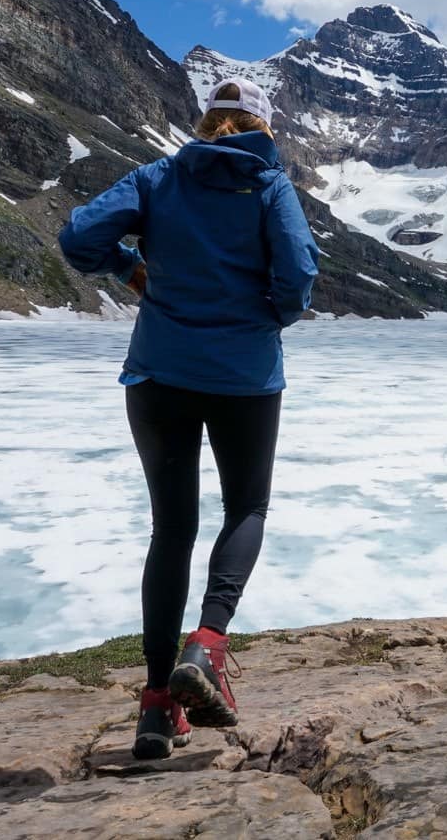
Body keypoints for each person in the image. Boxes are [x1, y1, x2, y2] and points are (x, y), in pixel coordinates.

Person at [58, 77, 320, 760]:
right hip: (245, 375)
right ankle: (206, 645)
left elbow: (80, 236)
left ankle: (154, 710)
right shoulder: (268, 186)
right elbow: (296, 275)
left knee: (171, 529)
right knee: (248, 509)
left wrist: (131, 272)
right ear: (263, 125)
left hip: (159, 372)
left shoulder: (159, 177)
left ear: (207, 122)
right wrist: (269, 315)